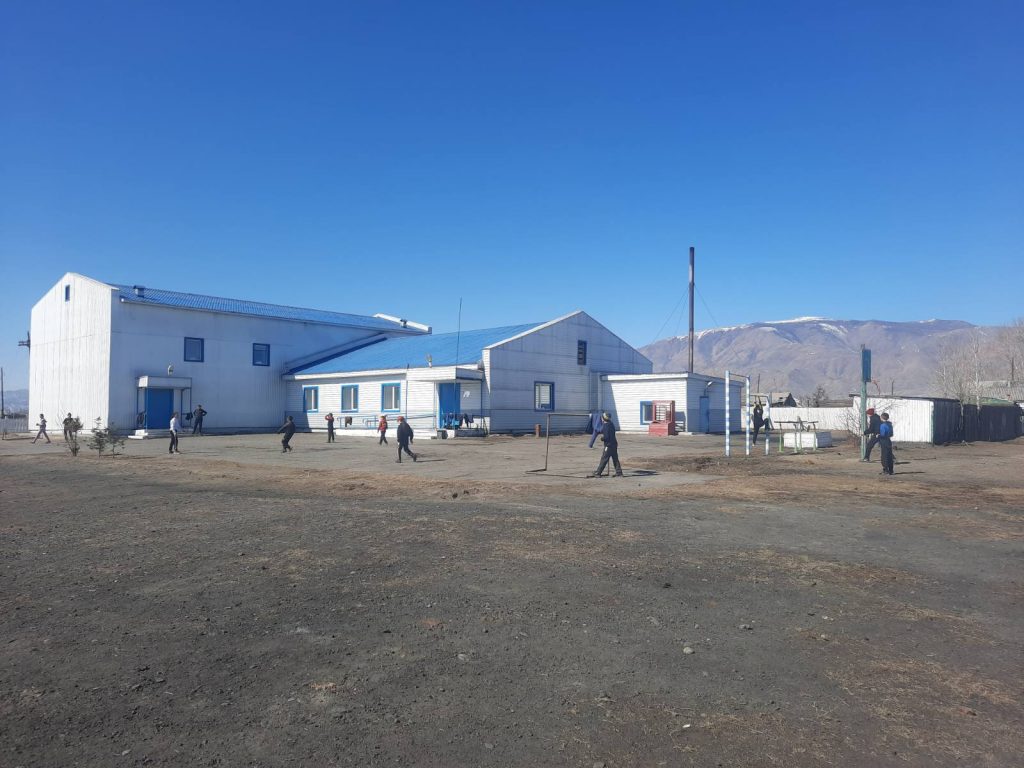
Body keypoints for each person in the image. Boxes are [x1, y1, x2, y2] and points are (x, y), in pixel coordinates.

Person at [589, 412, 623, 478]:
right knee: (615, 459)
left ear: (603, 418)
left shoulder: (605, 426)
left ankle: (598, 472)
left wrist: (602, 438)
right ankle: (619, 472)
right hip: (614, 444)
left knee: (604, 459)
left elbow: (606, 437)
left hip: (608, 445)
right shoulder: (611, 424)